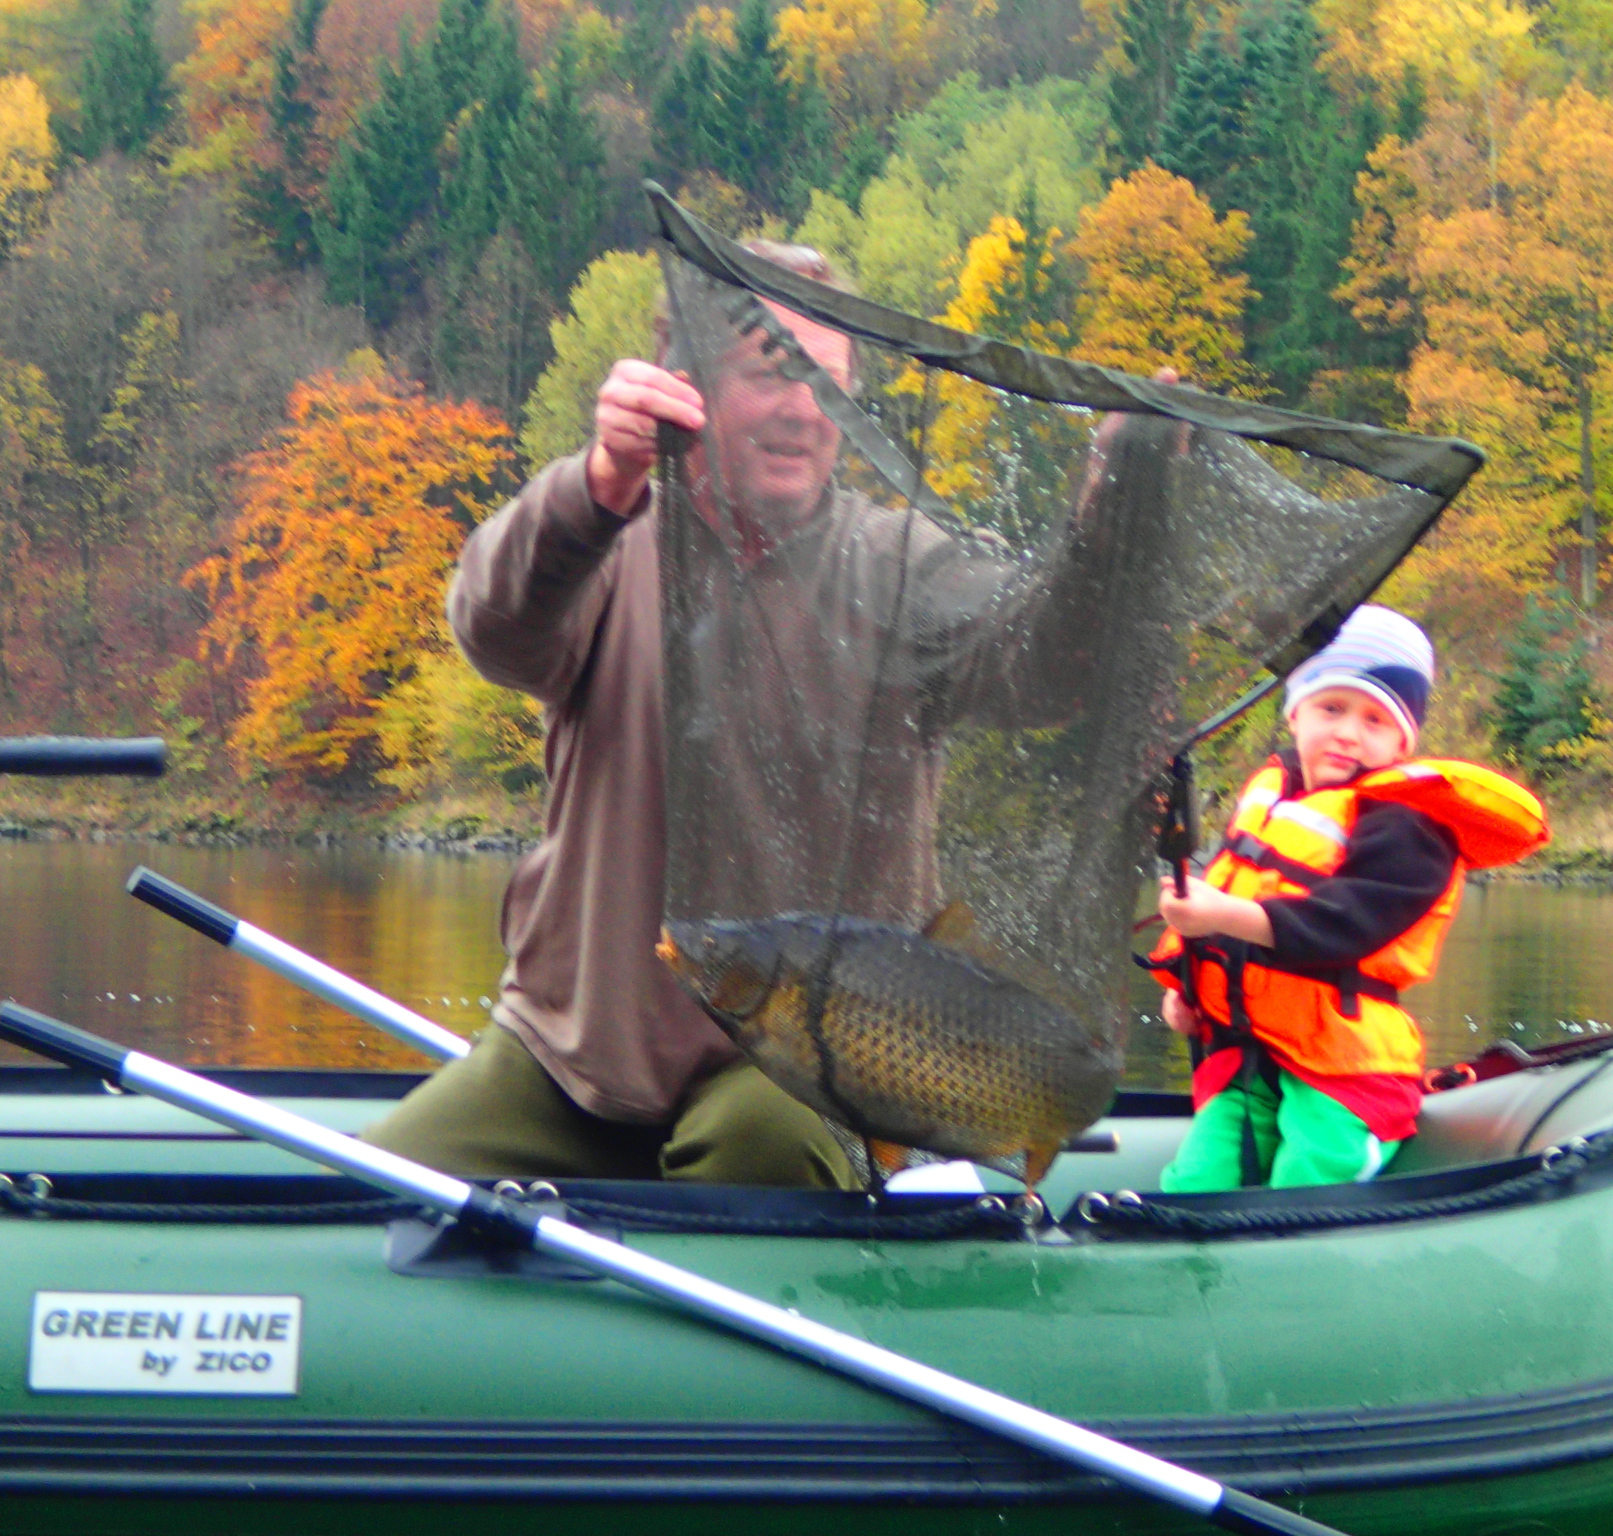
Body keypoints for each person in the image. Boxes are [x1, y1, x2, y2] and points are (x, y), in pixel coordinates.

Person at [362, 242, 1161, 1186]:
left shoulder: (900, 566)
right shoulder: (606, 543)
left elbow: (1055, 665)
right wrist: (601, 479)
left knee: (758, 1148)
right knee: (371, 1193)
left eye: (828, 385)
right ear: (687, 385)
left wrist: (1115, 508)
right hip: (570, 1054)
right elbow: (492, 627)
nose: (803, 410)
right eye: (770, 374)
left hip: (810, 1063)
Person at [1145, 605, 1549, 1192]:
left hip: (1348, 1069)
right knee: (1196, 1179)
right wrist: (1184, 990)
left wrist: (1224, 915)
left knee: (1311, 1171)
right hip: (1252, 1057)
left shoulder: (1410, 829)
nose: (1348, 733)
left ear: (1403, 742)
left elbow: (1342, 925)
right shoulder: (1274, 800)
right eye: (1331, 708)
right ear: (1295, 715)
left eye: (1375, 720)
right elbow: (1228, 907)